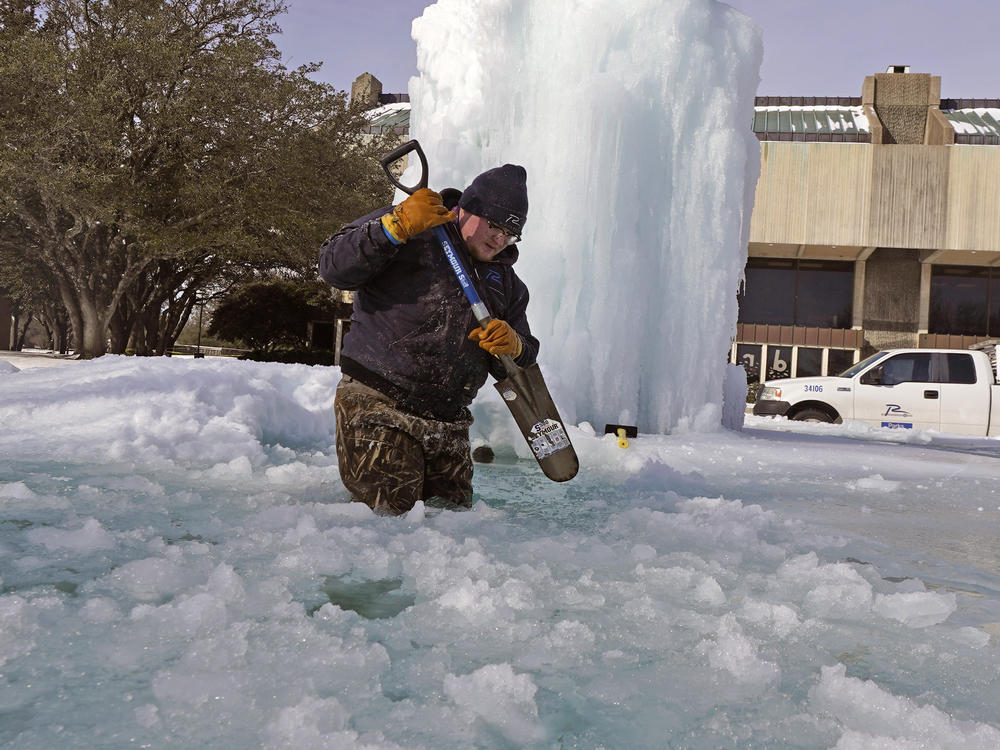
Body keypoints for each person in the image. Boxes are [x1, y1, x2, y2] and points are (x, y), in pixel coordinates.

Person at [318, 164, 539, 515]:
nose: (499, 239)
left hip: (449, 423)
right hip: (380, 404)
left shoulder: (508, 286)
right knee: (389, 524)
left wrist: (514, 346)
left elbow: (520, 361)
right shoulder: (413, 225)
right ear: (465, 208)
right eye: (494, 225)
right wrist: (392, 229)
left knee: (452, 532)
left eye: (510, 234)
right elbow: (333, 267)